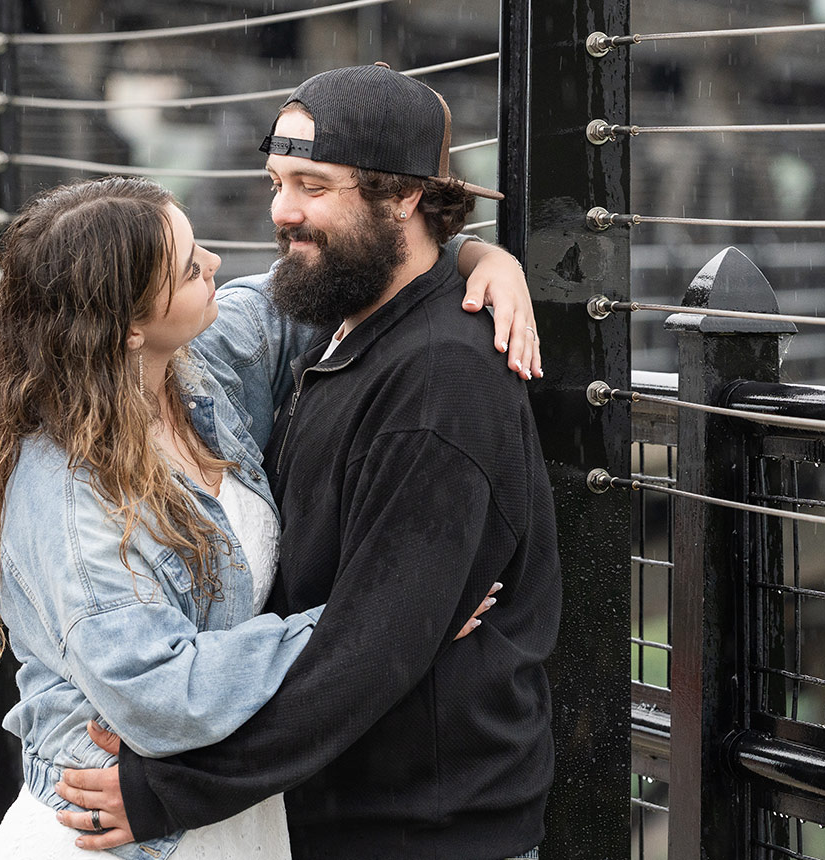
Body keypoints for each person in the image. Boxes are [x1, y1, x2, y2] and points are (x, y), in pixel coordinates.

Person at [56, 64, 561, 860]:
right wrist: (475, 256)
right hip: (342, 812)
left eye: (313, 186)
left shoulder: (438, 381)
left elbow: (375, 648)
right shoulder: (340, 322)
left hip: (422, 833)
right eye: (276, 181)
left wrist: (173, 791)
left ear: (401, 195)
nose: (281, 212)